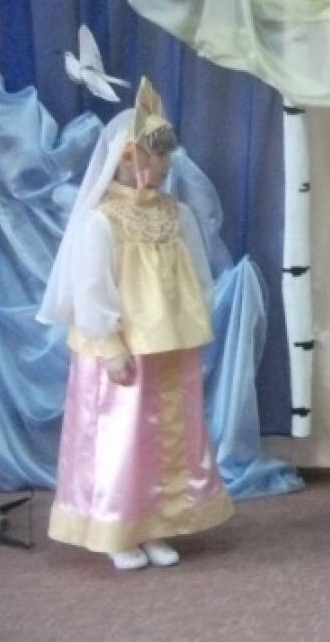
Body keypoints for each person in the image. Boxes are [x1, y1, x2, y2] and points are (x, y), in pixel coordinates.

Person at [38, 77, 232, 570]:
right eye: (159, 155)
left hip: (167, 345)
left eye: (167, 155)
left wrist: (190, 325)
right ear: (129, 157)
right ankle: (116, 527)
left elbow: (197, 276)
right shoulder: (101, 222)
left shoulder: (175, 214)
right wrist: (109, 345)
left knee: (166, 438)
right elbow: (92, 289)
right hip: (123, 349)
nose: (167, 164)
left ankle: (155, 523)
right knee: (120, 437)